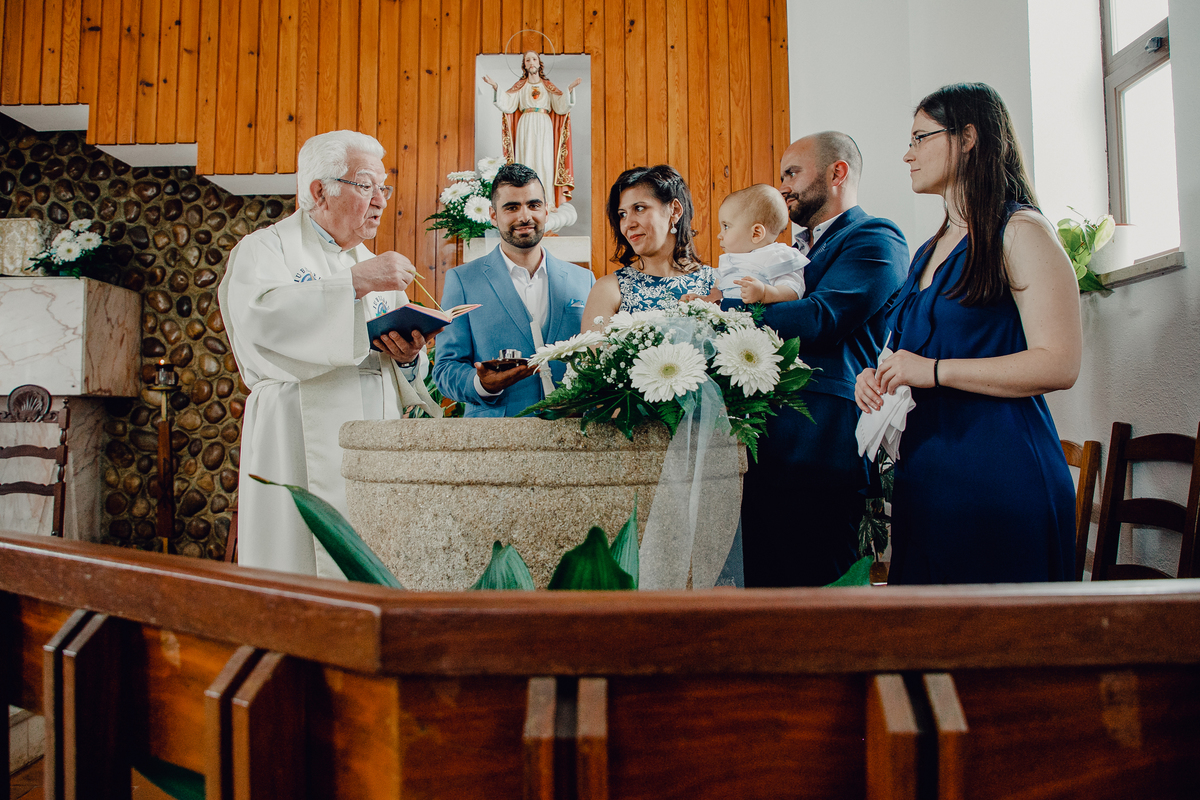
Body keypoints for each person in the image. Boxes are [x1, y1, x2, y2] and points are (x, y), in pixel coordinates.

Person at [855, 83, 1080, 584]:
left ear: (968, 137)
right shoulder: (927, 250)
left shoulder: (1019, 231)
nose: (907, 154)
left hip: (999, 475)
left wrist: (934, 371)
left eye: (920, 138)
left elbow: (1060, 362)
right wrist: (875, 376)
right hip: (928, 480)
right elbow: (906, 352)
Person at [218, 130, 441, 579]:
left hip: (372, 441)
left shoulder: (367, 262)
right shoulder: (266, 249)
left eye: (384, 187)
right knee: (297, 560)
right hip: (294, 431)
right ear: (320, 191)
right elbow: (261, 320)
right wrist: (354, 284)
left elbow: (397, 363)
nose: (380, 201)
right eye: (366, 185)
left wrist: (407, 358)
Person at [723, 132, 909, 587]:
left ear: (837, 172)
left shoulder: (874, 237)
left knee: (820, 588)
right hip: (767, 438)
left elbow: (822, 317)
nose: (782, 186)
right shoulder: (788, 252)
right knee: (764, 585)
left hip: (821, 438)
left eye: (792, 173)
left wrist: (722, 314)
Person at [433, 163, 595, 417]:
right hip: (498, 432)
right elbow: (445, 368)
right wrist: (482, 385)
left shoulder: (584, 279)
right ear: (493, 215)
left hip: (573, 429)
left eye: (533, 205)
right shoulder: (463, 281)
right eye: (511, 207)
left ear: (547, 210)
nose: (525, 217)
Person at [581, 165, 716, 331]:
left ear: (675, 210)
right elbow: (593, 348)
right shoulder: (609, 289)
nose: (628, 224)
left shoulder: (716, 283)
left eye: (639, 208)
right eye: (622, 214)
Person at [482, 51, 582, 212]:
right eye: (527, 60)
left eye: (534, 59)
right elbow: (508, 104)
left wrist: (569, 90)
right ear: (524, 65)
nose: (531, 62)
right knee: (526, 159)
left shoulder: (547, 86)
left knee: (545, 162)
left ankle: (547, 201)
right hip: (526, 125)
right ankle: (526, 200)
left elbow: (560, 106)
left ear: (539, 63)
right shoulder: (520, 86)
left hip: (544, 125)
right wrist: (495, 86)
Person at [681, 184, 808, 305]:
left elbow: (794, 291)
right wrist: (703, 300)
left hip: (758, 318)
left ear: (756, 233)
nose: (719, 235)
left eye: (726, 226)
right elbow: (721, 298)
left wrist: (764, 293)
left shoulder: (776, 256)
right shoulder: (730, 261)